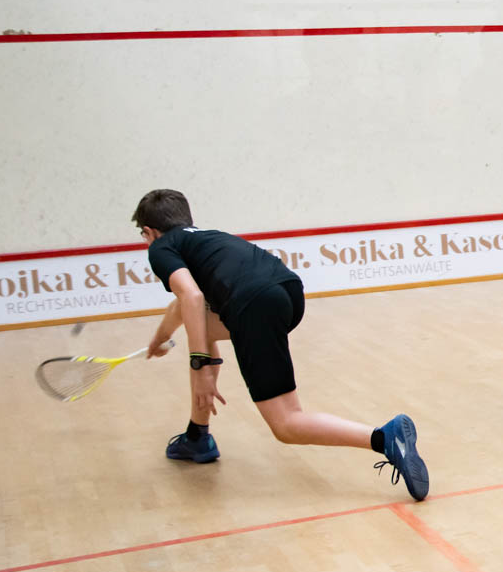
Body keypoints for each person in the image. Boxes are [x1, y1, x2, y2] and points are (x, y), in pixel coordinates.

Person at [131, 188, 429, 500]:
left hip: (253, 305)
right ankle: (197, 436)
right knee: (201, 330)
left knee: (286, 423)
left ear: (150, 232)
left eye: (144, 236)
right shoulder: (205, 239)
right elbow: (185, 308)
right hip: (287, 292)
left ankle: (384, 438)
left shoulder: (162, 247)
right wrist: (161, 339)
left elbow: (191, 296)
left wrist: (201, 365)